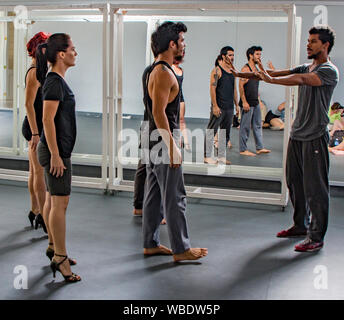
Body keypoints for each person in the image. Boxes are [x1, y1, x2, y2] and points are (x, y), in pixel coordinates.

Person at [258, 25, 339, 252]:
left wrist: (270, 80)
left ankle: (316, 236)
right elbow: (281, 72)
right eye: (308, 40)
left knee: (316, 188)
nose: (308, 44)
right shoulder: (308, 65)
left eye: (313, 41)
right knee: (294, 183)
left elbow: (302, 79)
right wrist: (252, 73)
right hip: (297, 134)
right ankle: (299, 225)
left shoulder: (328, 70)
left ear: (325, 45)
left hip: (315, 135)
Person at [142, 21, 208, 262]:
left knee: (154, 196)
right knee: (175, 196)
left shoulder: (152, 69)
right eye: (182, 42)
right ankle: (181, 249)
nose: (184, 46)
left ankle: (150, 244)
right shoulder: (162, 72)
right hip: (162, 140)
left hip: (151, 138)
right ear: (172, 44)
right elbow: (159, 112)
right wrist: (172, 146)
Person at [36, 33, 80, 282]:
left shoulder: (57, 81)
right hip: (56, 152)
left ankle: (54, 248)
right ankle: (61, 258)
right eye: (73, 49)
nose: (76, 53)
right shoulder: (54, 82)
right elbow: (47, 120)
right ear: (61, 54)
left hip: (57, 150)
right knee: (60, 204)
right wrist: (55, 154)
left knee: (54, 201)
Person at [22, 32, 49, 231]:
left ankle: (35, 210)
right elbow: (28, 105)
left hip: (35, 127)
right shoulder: (34, 72)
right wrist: (35, 133)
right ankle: (42, 214)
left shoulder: (39, 70)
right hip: (34, 128)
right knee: (39, 173)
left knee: (34, 172)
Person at [204, 46, 238, 165]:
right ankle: (207, 156)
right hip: (219, 106)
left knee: (225, 132)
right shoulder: (217, 71)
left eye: (233, 55)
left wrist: (237, 105)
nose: (232, 57)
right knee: (212, 130)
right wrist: (215, 106)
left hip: (229, 107)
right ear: (223, 56)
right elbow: (212, 89)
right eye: (229, 55)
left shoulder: (233, 71)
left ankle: (221, 157)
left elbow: (234, 89)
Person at [237, 46, 271, 156]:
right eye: (257, 54)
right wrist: (244, 102)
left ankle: (259, 147)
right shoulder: (245, 69)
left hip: (255, 102)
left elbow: (267, 77)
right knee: (245, 126)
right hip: (247, 103)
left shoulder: (256, 69)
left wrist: (259, 101)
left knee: (257, 125)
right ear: (250, 55)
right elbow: (240, 86)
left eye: (260, 54)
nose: (259, 56)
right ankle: (243, 149)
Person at [172, 52, 191, 152]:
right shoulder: (170, 68)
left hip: (180, 96)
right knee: (174, 120)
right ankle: (177, 140)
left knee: (182, 119)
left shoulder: (181, 70)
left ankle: (186, 143)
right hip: (172, 97)